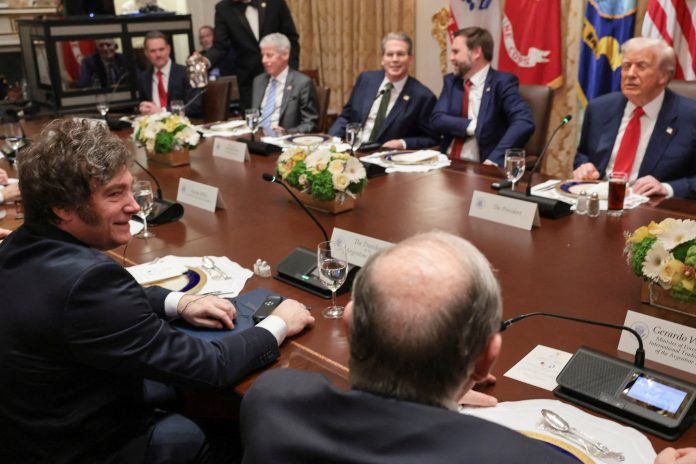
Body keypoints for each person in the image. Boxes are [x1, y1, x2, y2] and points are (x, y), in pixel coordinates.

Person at [0, 118, 315, 463]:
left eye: (129, 189)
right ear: (62, 208)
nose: (135, 206)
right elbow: (212, 367)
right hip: (88, 445)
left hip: (32, 428)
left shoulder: (21, 242)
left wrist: (179, 302)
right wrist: (278, 323)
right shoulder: (89, 282)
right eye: (115, 194)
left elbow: (94, 301)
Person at [240, 231, 696, 464]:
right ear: (486, 358)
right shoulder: (518, 458)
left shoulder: (274, 399)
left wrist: (435, 391)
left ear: (351, 328)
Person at [573, 37, 696, 199]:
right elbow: (583, 154)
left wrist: (667, 188)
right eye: (626, 66)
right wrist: (584, 167)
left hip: (653, 206)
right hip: (598, 199)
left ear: (663, 76)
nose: (630, 74)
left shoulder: (690, 116)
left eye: (641, 66)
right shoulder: (599, 108)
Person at [430, 27, 534, 165]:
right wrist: (472, 126)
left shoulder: (501, 83)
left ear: (476, 52)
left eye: (456, 52)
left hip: (481, 165)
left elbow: (524, 122)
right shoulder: (452, 82)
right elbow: (436, 119)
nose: (451, 58)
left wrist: (494, 160)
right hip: (446, 162)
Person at [328, 32, 438, 150]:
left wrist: (402, 143)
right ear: (382, 59)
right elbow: (346, 117)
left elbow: (432, 138)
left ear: (410, 59)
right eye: (390, 54)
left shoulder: (423, 96)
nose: (395, 59)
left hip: (386, 156)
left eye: (400, 54)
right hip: (352, 151)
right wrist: (331, 140)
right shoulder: (366, 80)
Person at [203, 0, 300, 110]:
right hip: (249, 83)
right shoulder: (223, 8)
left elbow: (291, 39)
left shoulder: (275, 2)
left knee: (286, 116)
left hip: (281, 78)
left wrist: (291, 71)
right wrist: (205, 61)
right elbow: (220, 46)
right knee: (252, 119)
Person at [251, 33, 318, 136]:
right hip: (258, 138)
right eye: (262, 55)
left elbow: (311, 124)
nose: (264, 60)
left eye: (269, 55)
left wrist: (287, 132)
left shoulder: (302, 83)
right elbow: (253, 116)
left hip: (284, 141)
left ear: (285, 55)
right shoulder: (259, 81)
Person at [138, 31, 201, 117]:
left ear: (168, 49)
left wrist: (162, 111)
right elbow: (144, 104)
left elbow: (195, 107)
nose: (158, 54)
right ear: (146, 53)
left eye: (161, 49)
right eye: (153, 51)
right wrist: (144, 108)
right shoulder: (143, 78)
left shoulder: (186, 73)